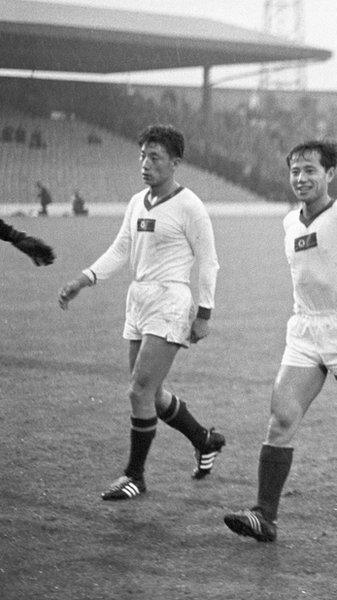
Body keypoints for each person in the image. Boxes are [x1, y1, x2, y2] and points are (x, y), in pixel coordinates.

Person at [222, 73, 337, 543]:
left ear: (329, 175)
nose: (301, 178)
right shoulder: (286, 223)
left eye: (310, 170)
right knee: (280, 419)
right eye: (294, 171)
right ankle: (265, 515)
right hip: (304, 330)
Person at [57, 124, 224, 501]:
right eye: (142, 156)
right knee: (152, 392)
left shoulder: (189, 206)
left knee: (138, 390)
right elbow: (120, 250)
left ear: (175, 163)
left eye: (155, 157)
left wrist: (205, 313)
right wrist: (83, 280)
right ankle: (205, 439)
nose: (145, 164)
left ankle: (135, 476)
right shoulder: (137, 202)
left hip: (171, 300)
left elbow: (209, 261)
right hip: (139, 300)